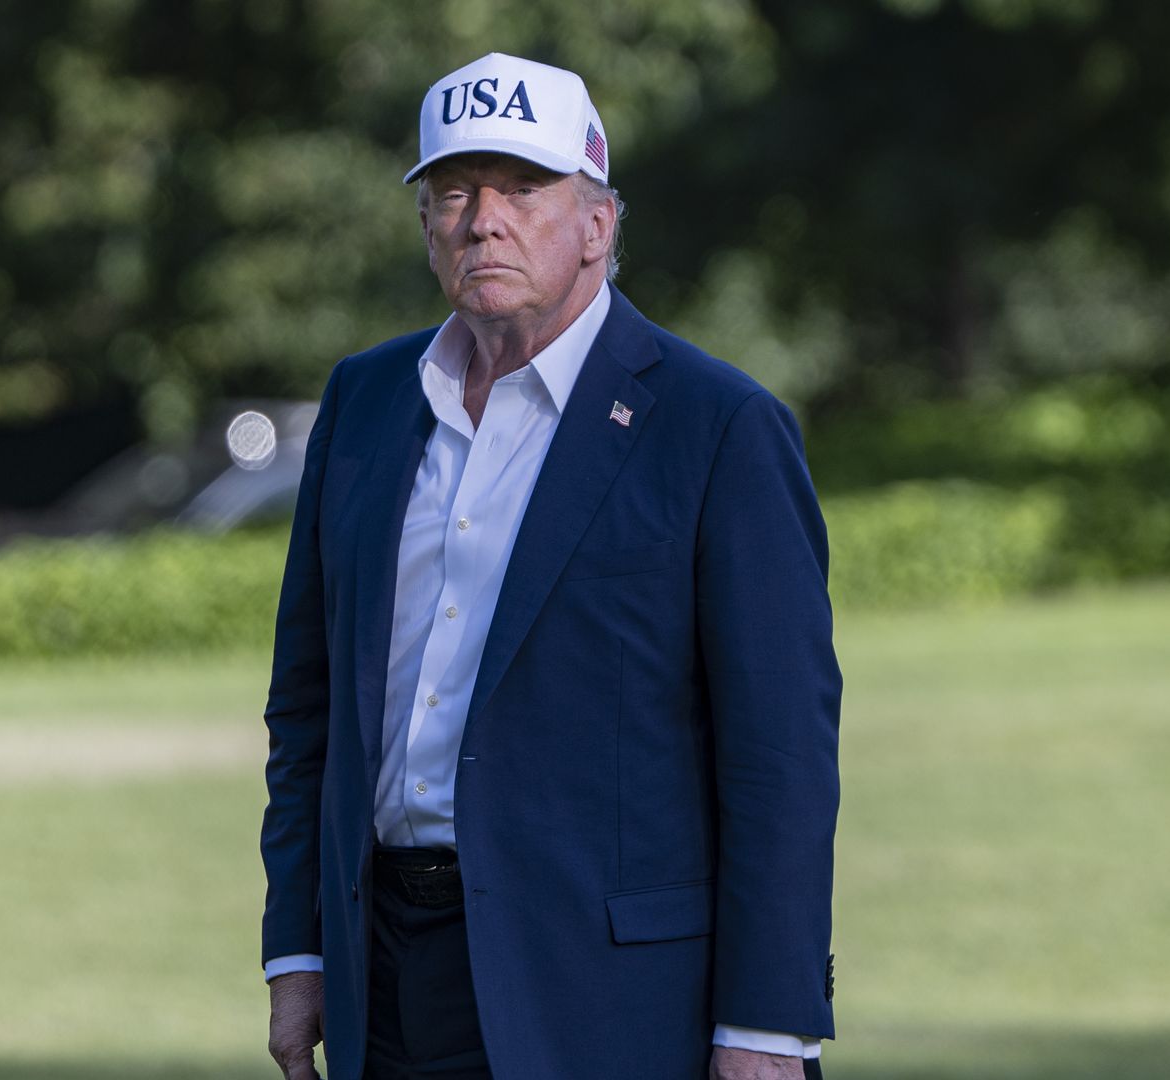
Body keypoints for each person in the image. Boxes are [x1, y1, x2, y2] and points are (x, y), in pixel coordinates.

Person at [260, 52, 841, 1080]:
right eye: (453, 193)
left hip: (612, 1000)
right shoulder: (362, 404)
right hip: (385, 979)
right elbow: (308, 708)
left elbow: (780, 759)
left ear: (598, 226)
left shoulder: (719, 428)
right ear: (427, 228)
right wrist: (299, 947)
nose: (484, 219)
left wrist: (765, 1027)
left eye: (524, 190)